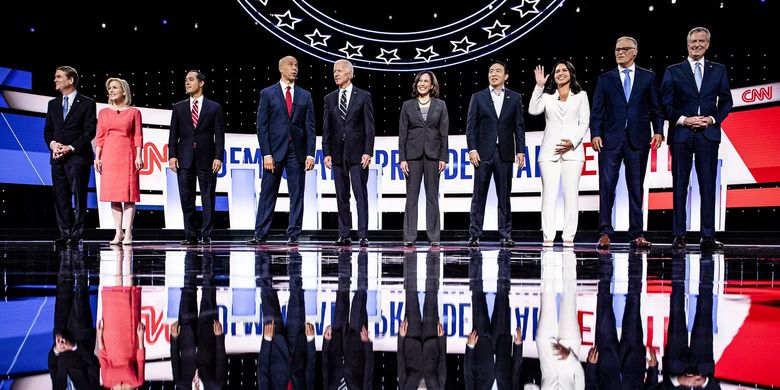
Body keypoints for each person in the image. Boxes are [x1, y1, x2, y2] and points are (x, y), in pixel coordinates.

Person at [661, 27, 733, 250]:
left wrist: (711, 119)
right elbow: (665, 105)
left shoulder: (719, 70)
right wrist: (685, 119)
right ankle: (679, 235)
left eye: (701, 41)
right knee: (680, 184)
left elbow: (727, 102)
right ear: (687, 44)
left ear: (708, 44)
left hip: (708, 135)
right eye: (693, 41)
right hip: (682, 134)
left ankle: (708, 237)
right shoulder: (673, 70)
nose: (697, 45)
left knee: (708, 185)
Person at [591, 37, 665, 249]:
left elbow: (656, 108)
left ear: (635, 52)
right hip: (609, 140)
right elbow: (597, 111)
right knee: (606, 186)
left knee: (635, 187)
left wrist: (658, 131)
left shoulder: (648, 77)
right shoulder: (605, 79)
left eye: (624, 49)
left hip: (638, 140)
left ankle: (637, 234)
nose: (620, 52)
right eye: (617, 49)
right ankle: (605, 232)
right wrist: (595, 133)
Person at [248, 56, 316, 246]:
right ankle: (260, 233)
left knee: (297, 194)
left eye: (296, 65)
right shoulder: (267, 93)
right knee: (267, 192)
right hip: (274, 152)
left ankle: (293, 234)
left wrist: (311, 153)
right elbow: (262, 126)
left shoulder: (305, 96)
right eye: (291, 65)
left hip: (298, 151)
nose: (295, 68)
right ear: (281, 69)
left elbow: (310, 127)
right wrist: (266, 154)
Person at [528, 60, 590, 247]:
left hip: (573, 152)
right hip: (549, 153)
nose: (560, 73)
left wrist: (573, 141)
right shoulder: (547, 96)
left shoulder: (581, 96)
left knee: (571, 194)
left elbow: (584, 122)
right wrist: (539, 86)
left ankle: (568, 236)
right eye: (557, 71)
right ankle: (548, 235)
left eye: (564, 70)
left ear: (571, 73)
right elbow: (533, 110)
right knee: (549, 194)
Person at [466, 61, 526, 247]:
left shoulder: (515, 98)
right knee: (479, 195)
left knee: (504, 195)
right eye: (491, 71)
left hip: (505, 153)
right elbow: (471, 126)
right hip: (483, 153)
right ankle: (474, 234)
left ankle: (505, 234)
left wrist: (521, 151)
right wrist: (472, 149)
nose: (493, 74)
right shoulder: (478, 97)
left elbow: (519, 127)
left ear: (506, 76)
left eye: (498, 71)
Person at [168, 70, 225, 245]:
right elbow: (173, 135)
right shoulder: (179, 107)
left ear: (201, 83)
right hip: (184, 158)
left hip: (207, 158)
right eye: (186, 80)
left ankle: (206, 234)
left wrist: (218, 157)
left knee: (208, 196)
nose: (187, 83)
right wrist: (172, 156)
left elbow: (219, 135)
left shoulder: (214, 107)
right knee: (186, 197)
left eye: (191, 79)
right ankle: (190, 235)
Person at [322, 59, 375, 247]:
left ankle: (363, 235)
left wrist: (368, 151)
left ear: (350, 74)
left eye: (340, 71)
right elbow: (326, 128)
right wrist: (326, 152)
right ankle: (344, 234)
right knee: (341, 195)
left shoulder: (363, 96)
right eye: (334, 71)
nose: (336, 74)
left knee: (360, 194)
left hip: (358, 153)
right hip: (337, 153)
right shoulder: (329, 98)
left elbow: (369, 127)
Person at [585, 251, 658, 389]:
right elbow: (652, 387)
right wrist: (653, 369)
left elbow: (591, 387)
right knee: (634, 300)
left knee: (604, 302)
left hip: (606, 363)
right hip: (633, 361)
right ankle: (636, 251)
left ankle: (605, 255)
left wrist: (591, 367)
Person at [43, 66, 97, 247]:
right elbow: (48, 130)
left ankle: (77, 234)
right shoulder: (53, 104)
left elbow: (90, 130)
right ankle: (64, 233)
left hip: (78, 157)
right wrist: (53, 145)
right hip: (57, 157)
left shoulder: (88, 103)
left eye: (59, 77)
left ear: (70, 80)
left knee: (79, 196)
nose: (55, 80)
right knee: (60, 196)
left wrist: (71, 147)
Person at [398, 71, 449, 247]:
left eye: (426, 81)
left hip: (434, 156)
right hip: (412, 156)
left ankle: (434, 236)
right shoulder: (407, 105)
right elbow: (402, 134)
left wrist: (443, 157)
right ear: (416, 84)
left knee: (432, 197)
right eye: (420, 80)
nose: (422, 83)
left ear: (432, 85)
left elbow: (444, 134)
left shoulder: (441, 105)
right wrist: (402, 159)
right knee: (411, 197)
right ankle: (409, 236)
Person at [656, 250, 719, 389]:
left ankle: (678, 254)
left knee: (677, 306)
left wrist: (679, 380)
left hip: (675, 365)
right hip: (702, 369)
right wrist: (704, 382)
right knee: (705, 307)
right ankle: (707, 255)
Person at [256, 250, 317, 390]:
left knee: (267, 295)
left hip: (274, 345)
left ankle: (261, 255)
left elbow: (263, 370)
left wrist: (266, 340)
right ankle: (294, 254)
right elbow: (310, 369)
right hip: (298, 344)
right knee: (297, 296)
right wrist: (310, 341)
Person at [463, 249, 523, 389]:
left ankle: (475, 254)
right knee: (503, 294)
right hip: (503, 342)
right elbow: (516, 372)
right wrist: (518, 345)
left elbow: (468, 373)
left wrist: (470, 347)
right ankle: (505, 253)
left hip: (480, 343)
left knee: (477, 295)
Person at [94, 77, 143, 246]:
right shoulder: (103, 113)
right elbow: (100, 137)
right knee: (113, 197)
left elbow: (138, 136)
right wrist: (97, 157)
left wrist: (139, 155)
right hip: (109, 155)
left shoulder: (134, 112)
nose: (112, 91)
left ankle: (128, 232)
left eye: (115, 87)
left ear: (124, 91)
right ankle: (118, 231)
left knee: (129, 197)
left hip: (127, 155)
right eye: (110, 88)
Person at [170, 252, 227, 389]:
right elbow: (221, 360)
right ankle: (208, 252)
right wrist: (219, 337)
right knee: (209, 290)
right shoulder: (215, 385)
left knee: (188, 288)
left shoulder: (181, 384)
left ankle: (191, 253)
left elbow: (175, 359)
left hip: (185, 335)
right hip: (208, 335)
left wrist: (174, 338)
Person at [49, 248, 100, 389]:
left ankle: (66, 251)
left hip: (61, 330)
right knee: (81, 287)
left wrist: (57, 350)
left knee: (63, 286)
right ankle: (79, 250)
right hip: (81, 334)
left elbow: (52, 366)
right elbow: (93, 364)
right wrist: (74, 347)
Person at [322, 249, 373, 389]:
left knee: (342, 294)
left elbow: (325, 369)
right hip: (358, 342)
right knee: (360, 296)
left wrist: (326, 342)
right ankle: (363, 254)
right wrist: (366, 342)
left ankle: (344, 253)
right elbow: (369, 370)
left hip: (336, 341)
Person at [97, 246, 146, 389]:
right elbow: (140, 358)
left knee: (116, 290)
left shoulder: (107, 382)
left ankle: (119, 255)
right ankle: (128, 250)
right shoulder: (137, 382)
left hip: (111, 339)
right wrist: (141, 337)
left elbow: (103, 357)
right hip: (130, 340)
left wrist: (99, 335)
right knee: (129, 291)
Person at [397, 250, 446, 389]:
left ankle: (409, 254)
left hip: (411, 337)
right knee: (432, 294)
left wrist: (401, 336)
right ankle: (433, 253)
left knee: (410, 293)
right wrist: (441, 338)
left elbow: (400, 359)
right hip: (433, 338)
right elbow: (442, 362)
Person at [536, 249, 584, 389]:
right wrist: (568, 356)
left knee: (547, 298)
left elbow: (528, 386)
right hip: (570, 347)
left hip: (547, 348)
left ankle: (548, 248)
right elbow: (580, 375)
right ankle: (569, 251)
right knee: (569, 299)